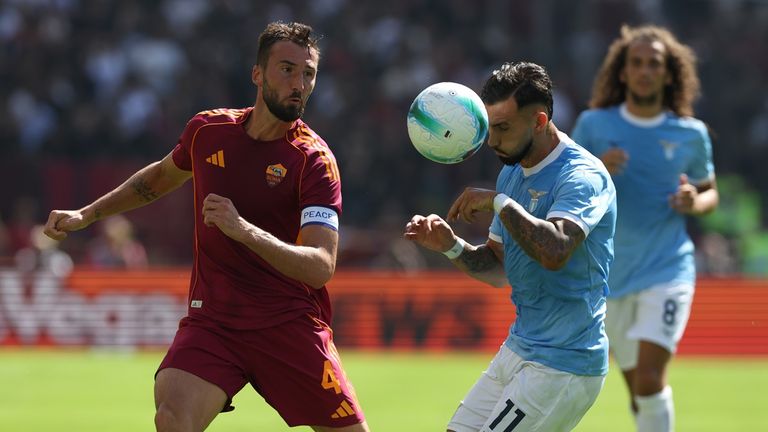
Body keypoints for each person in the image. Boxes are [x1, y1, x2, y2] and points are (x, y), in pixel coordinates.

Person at [44, 21, 369, 432]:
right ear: (257, 74)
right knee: (172, 416)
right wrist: (86, 215)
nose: (299, 83)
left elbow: (321, 265)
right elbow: (157, 179)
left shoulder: (314, 161)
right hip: (215, 323)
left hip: (288, 325)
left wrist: (243, 230)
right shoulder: (208, 131)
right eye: (287, 69)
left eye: (308, 74)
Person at [405, 61, 616, 432]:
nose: (491, 141)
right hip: (520, 349)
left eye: (502, 128)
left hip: (565, 363)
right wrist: (451, 245)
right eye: (489, 127)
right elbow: (500, 268)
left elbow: (555, 250)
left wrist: (500, 202)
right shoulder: (512, 172)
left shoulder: (581, 175)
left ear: (538, 121)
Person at [571, 24, 719, 432]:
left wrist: (695, 202)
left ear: (669, 73)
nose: (644, 71)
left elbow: (710, 194)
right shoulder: (592, 125)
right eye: (636, 63)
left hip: (666, 269)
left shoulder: (691, 134)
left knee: (652, 380)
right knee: (639, 391)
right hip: (609, 277)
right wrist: (599, 167)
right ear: (622, 71)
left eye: (654, 63)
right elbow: (563, 188)